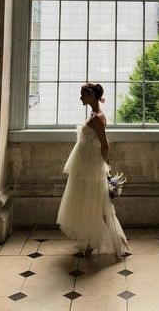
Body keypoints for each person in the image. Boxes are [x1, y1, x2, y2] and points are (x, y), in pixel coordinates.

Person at [56, 82, 128, 259]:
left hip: (91, 166)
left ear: (90, 96)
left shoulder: (97, 117)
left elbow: (105, 144)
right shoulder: (93, 114)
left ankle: (108, 244)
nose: (81, 98)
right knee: (88, 204)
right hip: (85, 165)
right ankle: (89, 245)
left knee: (94, 206)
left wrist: (104, 165)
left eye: (83, 95)